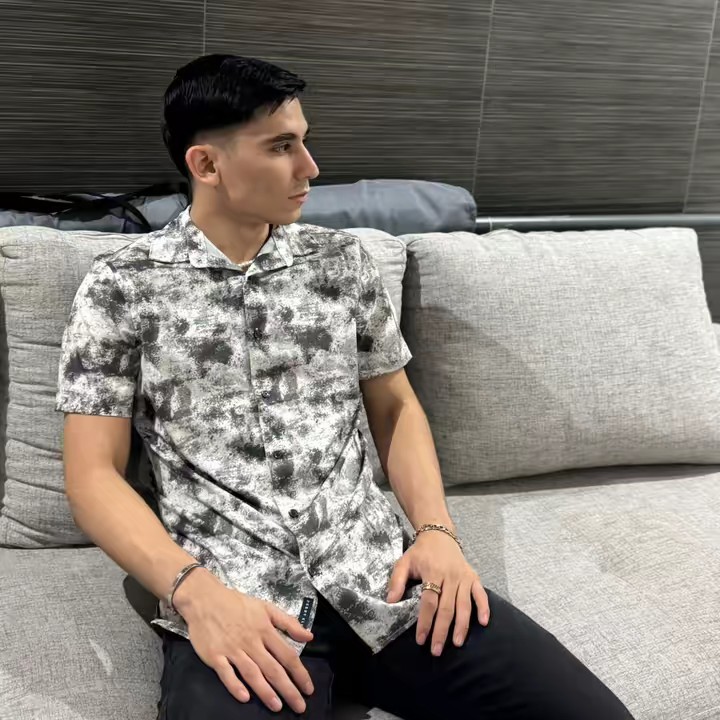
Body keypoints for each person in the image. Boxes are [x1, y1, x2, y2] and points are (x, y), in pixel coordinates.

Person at [57, 54, 635, 719]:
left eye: (304, 142)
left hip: (382, 578)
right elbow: (92, 477)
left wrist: (437, 532)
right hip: (242, 603)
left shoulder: (340, 263)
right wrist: (195, 594)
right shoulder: (122, 287)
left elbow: (395, 406)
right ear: (206, 165)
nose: (310, 167)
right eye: (282, 147)